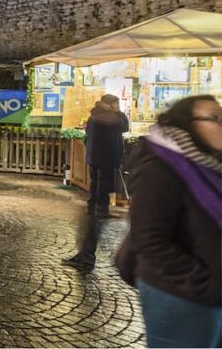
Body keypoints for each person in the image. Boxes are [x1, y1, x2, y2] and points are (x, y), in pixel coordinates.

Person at [114, 95, 221, 347]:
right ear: (188, 124)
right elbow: (149, 240)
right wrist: (206, 285)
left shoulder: (209, 165)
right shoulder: (160, 167)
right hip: (178, 295)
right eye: (214, 118)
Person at [85, 94, 129, 217]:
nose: (118, 107)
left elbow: (87, 133)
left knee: (95, 182)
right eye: (116, 104)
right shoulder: (109, 117)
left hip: (94, 154)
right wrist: (119, 113)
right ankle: (102, 210)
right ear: (109, 105)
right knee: (105, 182)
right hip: (106, 155)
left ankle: (91, 207)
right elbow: (125, 126)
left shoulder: (93, 115)